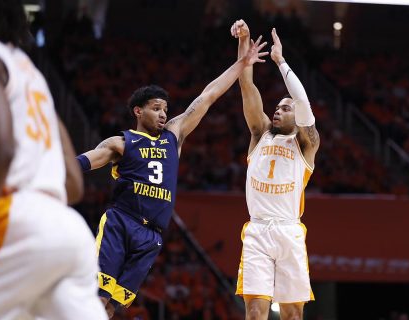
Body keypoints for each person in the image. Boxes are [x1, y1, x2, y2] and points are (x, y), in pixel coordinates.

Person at [76, 37, 268, 317]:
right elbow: (86, 160)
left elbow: (208, 95)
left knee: (113, 305)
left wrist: (242, 63)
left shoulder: (173, 136)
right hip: (121, 222)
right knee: (97, 295)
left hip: (151, 235)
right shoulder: (121, 143)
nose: (163, 114)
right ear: (138, 111)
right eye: (156, 108)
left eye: (165, 109)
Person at [0, 0, 108, 319]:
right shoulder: (34, 78)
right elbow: (73, 182)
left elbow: (1, 148)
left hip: (13, 220)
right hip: (68, 229)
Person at [231, 20, 320, 320]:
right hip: (257, 229)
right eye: (278, 107)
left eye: (286, 107)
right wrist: (243, 42)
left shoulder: (306, 143)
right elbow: (247, 86)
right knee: (255, 313)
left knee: (293, 315)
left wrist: (280, 62)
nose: (278, 110)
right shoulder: (260, 133)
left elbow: (304, 103)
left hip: (289, 230)